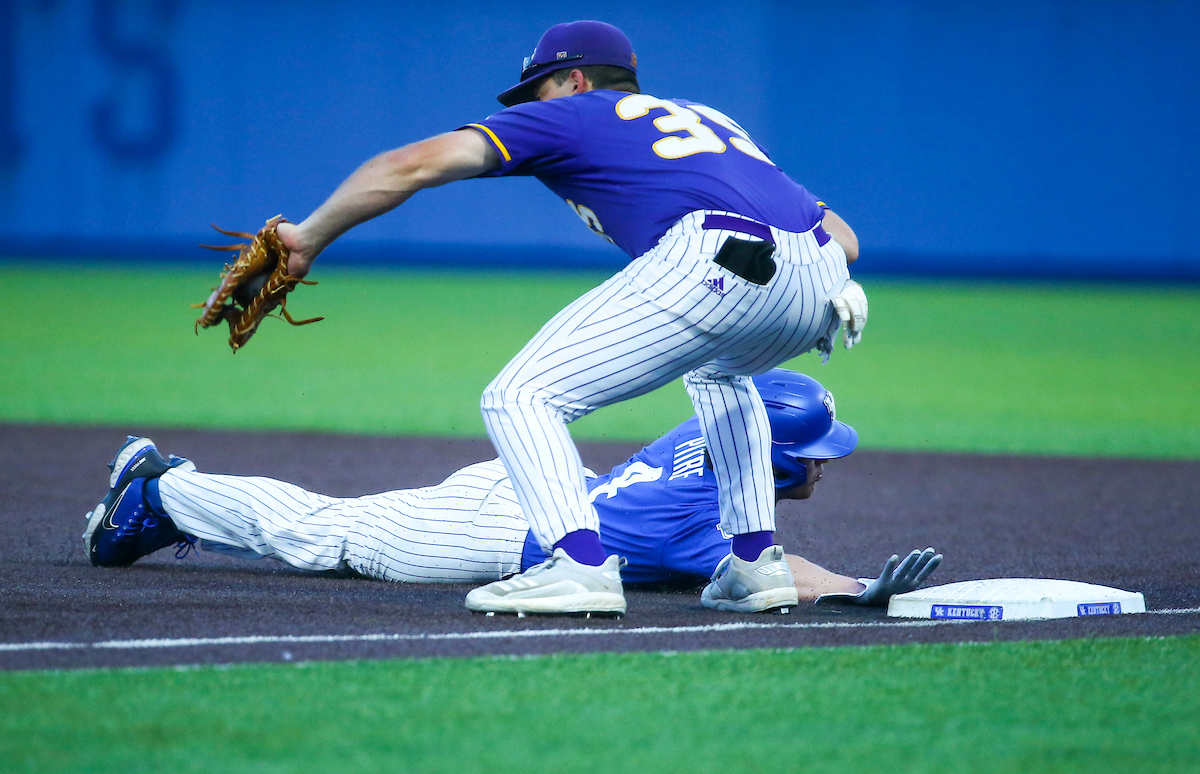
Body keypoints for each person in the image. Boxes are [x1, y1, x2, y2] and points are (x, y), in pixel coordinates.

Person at [271, 20, 870, 615]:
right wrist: (818, 279)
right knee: (719, 375)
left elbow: (412, 165)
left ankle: (579, 566)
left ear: (575, 80)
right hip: (822, 275)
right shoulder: (711, 120)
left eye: (539, 89)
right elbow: (843, 238)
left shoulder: (577, 112)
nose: (531, 104)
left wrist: (308, 237)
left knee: (519, 397)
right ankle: (754, 566)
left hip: (716, 257)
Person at [82, 370, 940, 612]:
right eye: (816, 454)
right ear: (776, 460)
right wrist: (862, 592)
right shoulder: (701, 517)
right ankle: (158, 490)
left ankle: (165, 495)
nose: (826, 465)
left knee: (329, 527)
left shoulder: (708, 432)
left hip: (544, 488)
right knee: (323, 534)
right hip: (500, 530)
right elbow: (779, 574)